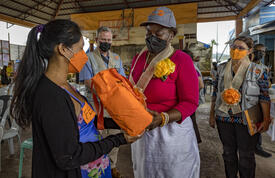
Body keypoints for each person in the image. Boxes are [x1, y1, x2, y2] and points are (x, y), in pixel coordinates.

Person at [10, 19, 138, 178]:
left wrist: (122, 124)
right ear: (63, 49)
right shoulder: (50, 96)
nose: (84, 56)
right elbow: (69, 156)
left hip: (93, 168)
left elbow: (87, 121)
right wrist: (118, 140)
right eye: (80, 49)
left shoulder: (67, 87)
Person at [130, 7, 200, 178]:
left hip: (171, 133)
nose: (152, 37)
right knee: (144, 171)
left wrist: (163, 118)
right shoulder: (138, 58)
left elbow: (190, 102)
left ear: (171, 35)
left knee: (172, 172)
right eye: (148, 33)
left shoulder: (181, 60)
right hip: (142, 130)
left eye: (159, 33)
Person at [209, 36, 271, 178]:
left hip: (247, 119)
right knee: (228, 153)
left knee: (246, 156)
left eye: (240, 48)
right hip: (223, 118)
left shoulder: (258, 71)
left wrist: (266, 119)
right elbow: (215, 93)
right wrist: (212, 115)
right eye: (233, 47)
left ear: (249, 51)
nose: (235, 50)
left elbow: (264, 97)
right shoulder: (221, 68)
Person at [79, 26, 125, 178]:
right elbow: (87, 81)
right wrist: (107, 87)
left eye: (109, 40)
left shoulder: (117, 59)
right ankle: (97, 169)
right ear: (97, 40)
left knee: (114, 134)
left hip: (114, 107)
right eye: (103, 39)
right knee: (97, 136)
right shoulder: (88, 58)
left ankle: (112, 167)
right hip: (95, 106)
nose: (106, 42)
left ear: (112, 41)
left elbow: (122, 80)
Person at [252, 43, 272, 158]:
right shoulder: (247, 66)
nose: (260, 53)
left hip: (261, 100)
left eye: (263, 52)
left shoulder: (264, 68)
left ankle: (257, 147)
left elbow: (267, 84)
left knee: (259, 123)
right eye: (258, 51)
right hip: (249, 101)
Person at [182, 49, 202, 143]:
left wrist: (190, 93)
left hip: (190, 100)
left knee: (191, 121)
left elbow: (201, 85)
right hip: (188, 100)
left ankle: (194, 141)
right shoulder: (187, 66)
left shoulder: (191, 68)